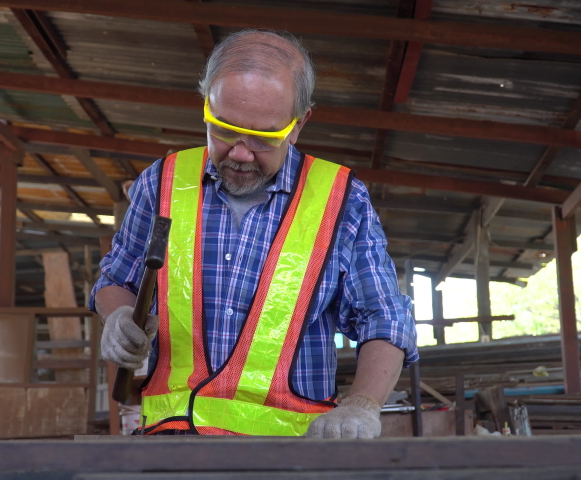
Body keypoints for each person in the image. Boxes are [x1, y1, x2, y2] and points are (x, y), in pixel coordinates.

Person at [91, 29, 417, 438]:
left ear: (299, 124)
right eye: (224, 129)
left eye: (263, 138)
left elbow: (383, 316)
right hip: (170, 446)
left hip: (289, 453)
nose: (241, 153)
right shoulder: (161, 183)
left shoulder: (342, 201)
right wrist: (118, 314)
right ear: (206, 105)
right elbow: (117, 277)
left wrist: (363, 405)